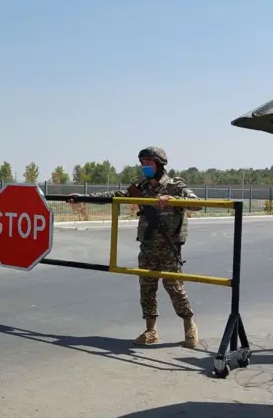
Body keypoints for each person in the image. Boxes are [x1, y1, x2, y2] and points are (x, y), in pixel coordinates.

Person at [69, 146, 202, 348]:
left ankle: (189, 325)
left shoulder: (175, 186)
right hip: (147, 246)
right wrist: (83, 197)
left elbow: (197, 203)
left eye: (149, 162)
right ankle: (151, 330)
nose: (145, 167)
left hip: (169, 246)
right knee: (147, 288)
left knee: (174, 287)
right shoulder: (140, 187)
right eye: (142, 163)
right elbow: (113, 194)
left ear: (159, 164)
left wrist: (174, 200)